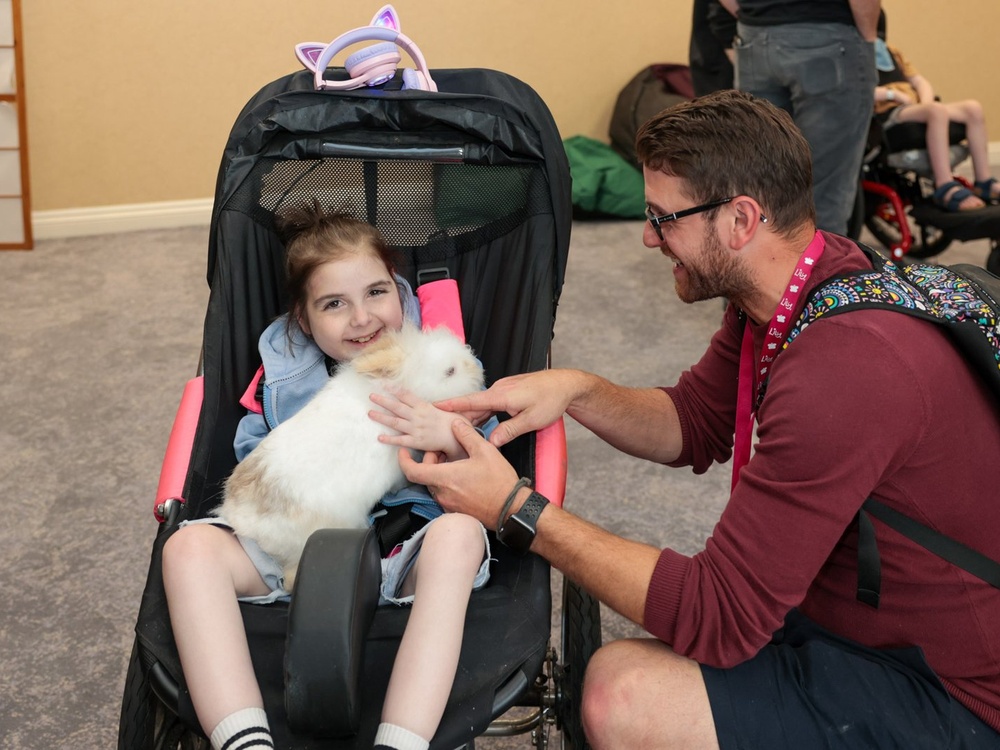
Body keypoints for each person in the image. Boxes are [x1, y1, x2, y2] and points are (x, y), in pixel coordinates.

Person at [383, 90, 1000, 748]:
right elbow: (695, 420)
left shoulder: (844, 371)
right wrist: (579, 390)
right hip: (858, 620)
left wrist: (515, 508)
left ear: (740, 219)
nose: (647, 236)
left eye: (663, 218)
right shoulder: (811, 280)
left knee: (621, 694)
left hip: (950, 692)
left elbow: (722, 615)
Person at [162, 203, 494, 750]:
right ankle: (245, 740)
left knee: (459, 540)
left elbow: (491, 474)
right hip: (290, 549)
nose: (361, 319)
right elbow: (254, 455)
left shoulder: (436, 365)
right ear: (303, 319)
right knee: (186, 549)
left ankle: (401, 741)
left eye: (376, 293)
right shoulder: (283, 378)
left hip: (401, 547)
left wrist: (446, 438)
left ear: (402, 293)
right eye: (334, 304)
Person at [717, 0, 879, 236]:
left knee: (758, 180)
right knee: (825, 189)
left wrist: (756, 15)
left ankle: (758, 270)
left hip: (754, 39)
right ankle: (822, 271)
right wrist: (868, 40)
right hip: (828, 38)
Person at [874, 15, 999, 211]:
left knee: (972, 108)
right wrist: (892, 94)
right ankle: (944, 184)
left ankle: (983, 181)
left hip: (914, 109)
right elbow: (856, 92)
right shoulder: (855, 57)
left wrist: (925, 102)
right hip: (887, 114)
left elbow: (919, 81)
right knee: (936, 111)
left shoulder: (893, 53)